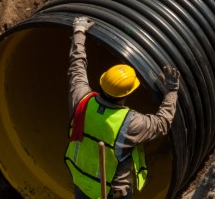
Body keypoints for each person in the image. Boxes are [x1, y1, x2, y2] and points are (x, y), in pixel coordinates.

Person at [65, 16, 179, 199]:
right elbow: (162, 123)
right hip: (112, 192)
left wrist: (79, 31)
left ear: (102, 83)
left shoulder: (82, 100)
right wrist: (172, 91)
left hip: (81, 181)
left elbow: (76, 67)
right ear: (126, 95)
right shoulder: (129, 123)